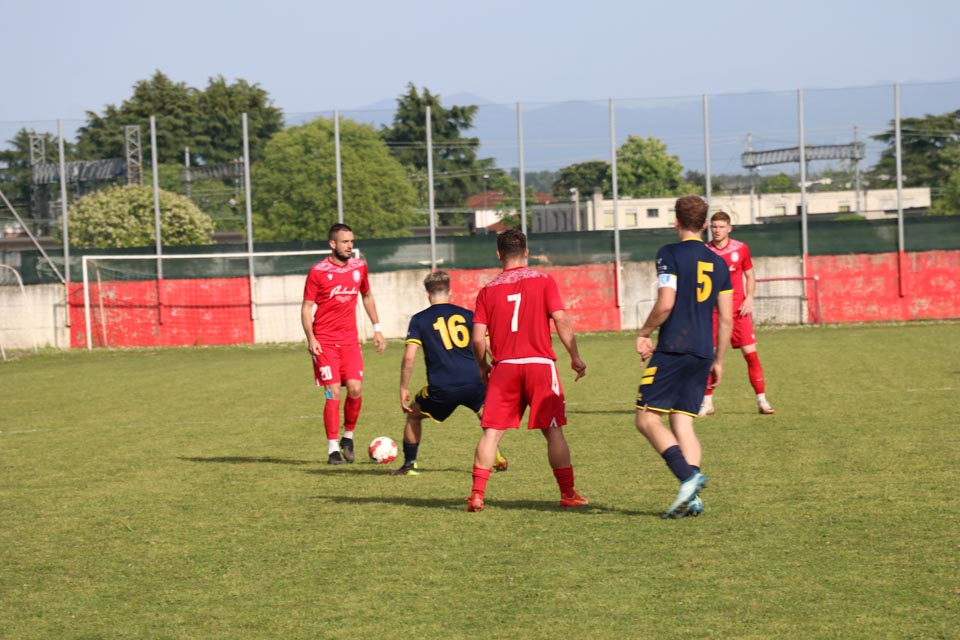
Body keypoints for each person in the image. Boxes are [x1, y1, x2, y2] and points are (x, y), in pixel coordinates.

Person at [466, 229, 589, 512]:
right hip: (540, 366)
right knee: (553, 431)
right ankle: (568, 494)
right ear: (526, 252)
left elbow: (477, 339)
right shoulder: (544, 281)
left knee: (491, 433)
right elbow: (561, 319)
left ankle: (477, 495)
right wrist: (574, 356)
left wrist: (483, 366)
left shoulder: (487, 290)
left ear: (499, 254)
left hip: (504, 368)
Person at [635, 195, 733, 518]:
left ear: (676, 221)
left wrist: (644, 332)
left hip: (674, 348)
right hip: (703, 352)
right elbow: (727, 319)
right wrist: (718, 360)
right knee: (682, 422)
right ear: (705, 224)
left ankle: (688, 477)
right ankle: (693, 499)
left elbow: (666, 303)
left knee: (646, 418)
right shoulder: (720, 263)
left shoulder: (669, 253)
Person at [395, 270, 508, 476]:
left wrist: (403, 387)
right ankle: (495, 455)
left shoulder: (419, 320)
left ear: (427, 293)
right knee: (486, 418)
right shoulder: (468, 315)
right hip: (475, 381)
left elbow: (409, 357)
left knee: (413, 415)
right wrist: (503, 368)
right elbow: (488, 345)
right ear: (449, 292)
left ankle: (409, 465)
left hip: (442, 387)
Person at [301, 223, 386, 465]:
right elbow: (306, 307)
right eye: (345, 242)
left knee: (355, 389)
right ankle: (332, 450)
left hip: (350, 341)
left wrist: (377, 328)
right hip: (325, 342)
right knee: (334, 391)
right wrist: (311, 338)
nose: (350, 246)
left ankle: (348, 437)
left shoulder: (359, 267)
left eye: (351, 241)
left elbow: (367, 295)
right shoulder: (318, 271)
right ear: (332, 244)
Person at [699, 211, 775, 416]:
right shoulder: (704, 251)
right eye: (714, 227)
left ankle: (762, 401)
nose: (717, 230)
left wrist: (749, 298)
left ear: (729, 228)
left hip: (738, 311)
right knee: (708, 358)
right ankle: (707, 403)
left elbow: (750, 275)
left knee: (751, 355)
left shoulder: (741, 248)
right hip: (713, 312)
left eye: (721, 227)